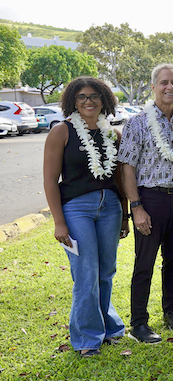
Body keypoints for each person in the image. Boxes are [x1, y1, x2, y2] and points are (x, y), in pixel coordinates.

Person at [43, 76, 129, 357]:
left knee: (106, 271)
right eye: (81, 97)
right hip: (76, 208)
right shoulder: (61, 132)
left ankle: (109, 326)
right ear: (73, 101)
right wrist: (58, 222)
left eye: (94, 96)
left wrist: (125, 215)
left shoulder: (112, 134)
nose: (88, 101)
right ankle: (87, 339)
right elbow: (49, 181)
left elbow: (118, 177)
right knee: (85, 272)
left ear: (104, 99)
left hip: (111, 207)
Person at [118, 63, 173, 343]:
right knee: (145, 262)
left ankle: (170, 312)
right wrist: (136, 206)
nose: (170, 87)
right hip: (149, 200)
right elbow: (127, 166)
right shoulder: (137, 122)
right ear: (153, 87)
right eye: (164, 82)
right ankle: (139, 323)